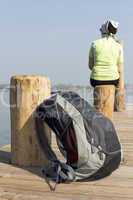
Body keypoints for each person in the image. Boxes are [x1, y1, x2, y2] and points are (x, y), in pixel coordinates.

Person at [89, 20, 124, 90]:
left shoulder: (94, 44)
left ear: (103, 31)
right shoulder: (119, 46)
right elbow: (120, 69)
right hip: (113, 80)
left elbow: (90, 66)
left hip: (96, 80)